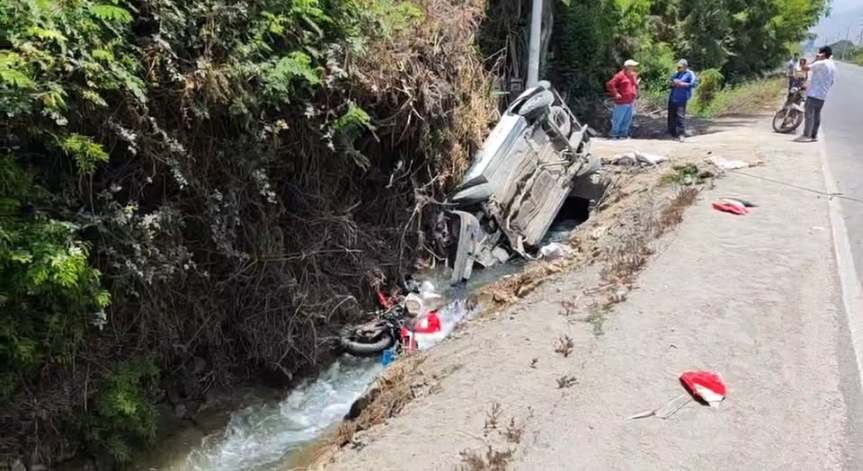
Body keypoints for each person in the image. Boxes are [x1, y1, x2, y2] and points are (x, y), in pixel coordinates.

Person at [796, 46, 836, 143]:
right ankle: (814, 135)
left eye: (819, 53)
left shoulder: (821, 63)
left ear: (823, 54)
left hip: (814, 93)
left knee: (809, 115)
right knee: (816, 115)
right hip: (822, 95)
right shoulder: (833, 66)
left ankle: (807, 135)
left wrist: (816, 59)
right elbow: (832, 82)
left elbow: (804, 68)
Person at [606, 59, 640, 139]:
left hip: (631, 101)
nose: (634, 68)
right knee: (618, 119)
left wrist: (637, 90)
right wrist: (616, 93)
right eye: (632, 66)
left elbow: (634, 85)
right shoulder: (620, 75)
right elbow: (610, 84)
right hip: (621, 102)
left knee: (627, 120)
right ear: (627, 67)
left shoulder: (633, 75)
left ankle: (623, 135)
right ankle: (614, 134)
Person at [667, 59, 696, 142]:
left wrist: (683, 84)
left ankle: (681, 134)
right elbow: (670, 82)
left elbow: (694, 84)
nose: (679, 68)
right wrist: (673, 83)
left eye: (680, 66)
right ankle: (671, 133)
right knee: (671, 115)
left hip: (682, 97)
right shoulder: (676, 73)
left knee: (680, 116)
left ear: (685, 66)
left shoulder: (690, 73)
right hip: (673, 97)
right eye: (678, 66)